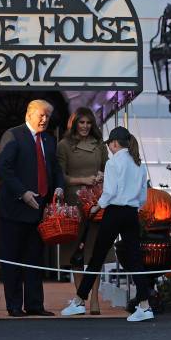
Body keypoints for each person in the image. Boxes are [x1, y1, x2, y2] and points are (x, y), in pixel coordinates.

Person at [61, 126, 152, 322]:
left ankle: (78, 301)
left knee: (97, 257)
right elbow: (143, 197)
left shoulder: (113, 163)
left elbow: (110, 192)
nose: (109, 148)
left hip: (114, 212)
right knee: (135, 258)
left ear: (115, 143)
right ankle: (145, 305)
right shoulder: (139, 164)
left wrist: (96, 207)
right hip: (131, 213)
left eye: (110, 144)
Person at [0, 99, 65, 317]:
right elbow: (4, 168)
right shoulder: (13, 135)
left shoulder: (49, 139)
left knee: (35, 259)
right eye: (41, 115)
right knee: (13, 259)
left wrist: (60, 187)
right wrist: (23, 193)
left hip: (39, 210)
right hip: (14, 210)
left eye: (48, 116)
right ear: (29, 114)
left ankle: (35, 304)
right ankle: (14, 305)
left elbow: (55, 168)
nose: (45, 119)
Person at [57, 107, 108, 315]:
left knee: (95, 254)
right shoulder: (64, 145)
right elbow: (61, 176)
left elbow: (107, 168)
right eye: (81, 122)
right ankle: (80, 300)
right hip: (74, 205)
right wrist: (83, 180)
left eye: (88, 123)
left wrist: (100, 176)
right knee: (75, 255)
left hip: (97, 204)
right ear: (74, 123)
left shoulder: (100, 145)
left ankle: (94, 300)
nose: (85, 126)